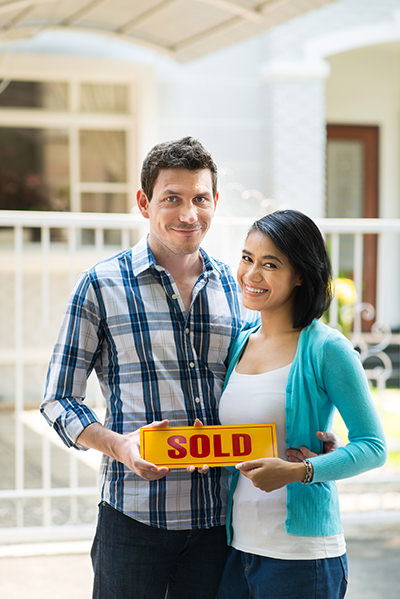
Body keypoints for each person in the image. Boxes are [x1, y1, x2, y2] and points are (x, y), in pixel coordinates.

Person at [40, 136, 260, 599]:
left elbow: (261, 385)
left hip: (220, 520)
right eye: (172, 199)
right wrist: (120, 446)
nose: (188, 214)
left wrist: (305, 435)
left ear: (215, 202)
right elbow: (58, 399)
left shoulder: (236, 288)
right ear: (144, 203)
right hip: (134, 520)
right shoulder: (100, 285)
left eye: (200, 199)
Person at [217, 209, 387, 599]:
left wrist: (302, 471)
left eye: (270, 264)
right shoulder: (241, 342)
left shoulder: (327, 349)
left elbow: (374, 447)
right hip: (239, 549)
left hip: (300, 558)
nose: (251, 274)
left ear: (299, 275)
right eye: (247, 258)